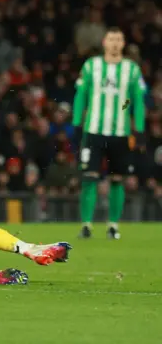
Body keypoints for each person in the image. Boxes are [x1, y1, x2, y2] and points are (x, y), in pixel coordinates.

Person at [72, 27, 147, 239]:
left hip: (120, 133)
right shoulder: (91, 66)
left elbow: (138, 102)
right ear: (105, 42)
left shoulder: (132, 69)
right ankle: (86, 225)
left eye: (119, 39)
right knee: (89, 178)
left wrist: (139, 129)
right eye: (111, 39)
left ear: (123, 44)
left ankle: (113, 225)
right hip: (93, 131)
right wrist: (77, 124)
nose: (115, 43)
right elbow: (81, 95)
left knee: (117, 180)